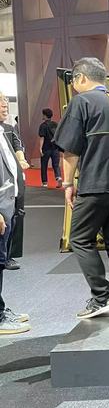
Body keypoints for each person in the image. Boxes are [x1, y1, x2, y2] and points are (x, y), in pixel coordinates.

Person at [54, 57, 109, 319]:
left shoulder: (81, 102)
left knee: (80, 239)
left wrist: (68, 183)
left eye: (73, 81)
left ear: (81, 78)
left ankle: (101, 297)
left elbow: (70, 150)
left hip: (96, 184)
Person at [0, 92, 30, 334]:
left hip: (7, 205)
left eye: (4, 102)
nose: (4, 106)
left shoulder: (5, 131)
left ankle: (1, 309)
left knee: (1, 261)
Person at [1, 115, 29, 271]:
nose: (4, 107)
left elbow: (18, 147)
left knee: (16, 216)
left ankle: (8, 255)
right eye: (1, 104)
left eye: (5, 104)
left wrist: (22, 160)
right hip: (3, 184)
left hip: (15, 181)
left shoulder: (8, 129)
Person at [38, 108, 62, 188]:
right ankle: (58, 177)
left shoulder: (43, 126)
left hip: (46, 148)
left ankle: (44, 183)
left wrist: (40, 148)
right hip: (55, 148)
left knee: (44, 165)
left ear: (45, 116)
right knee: (56, 165)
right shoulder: (55, 124)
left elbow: (42, 137)